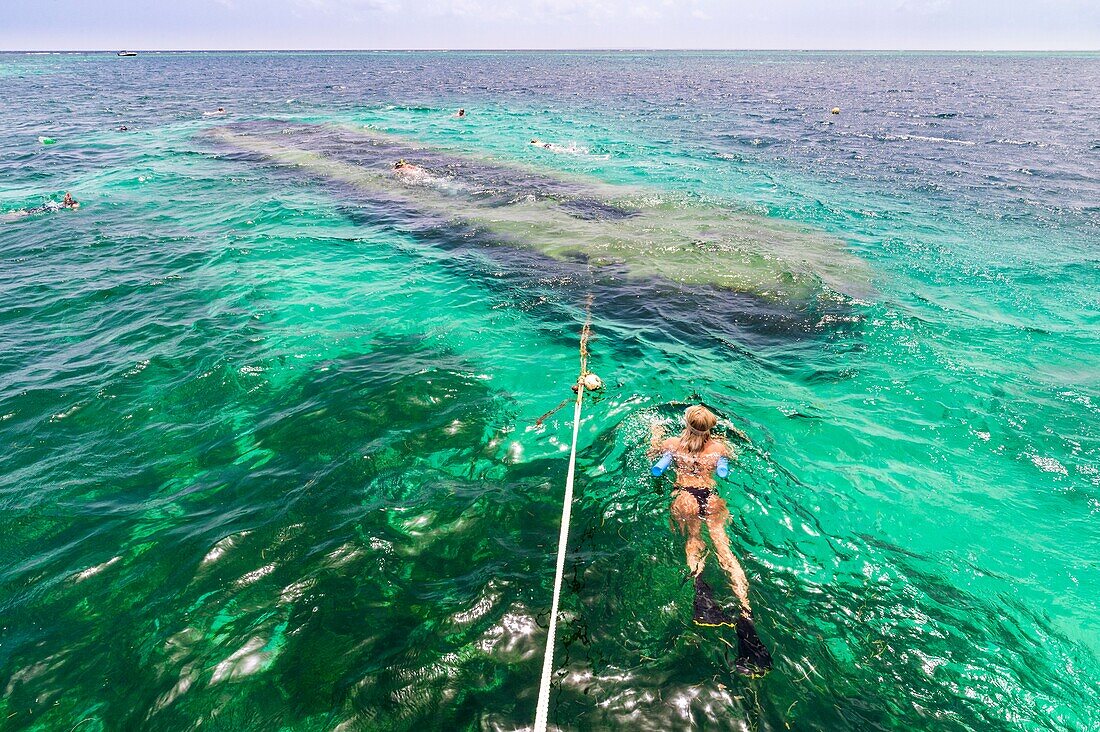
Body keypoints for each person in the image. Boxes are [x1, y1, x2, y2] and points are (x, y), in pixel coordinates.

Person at [649, 405, 772, 676]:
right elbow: (734, 455)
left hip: (684, 496)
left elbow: (652, 453)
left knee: (694, 539)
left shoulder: (672, 444)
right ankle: (745, 612)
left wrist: (654, 431)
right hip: (711, 497)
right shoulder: (718, 450)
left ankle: (702, 594)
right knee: (724, 549)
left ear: (686, 423)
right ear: (711, 428)